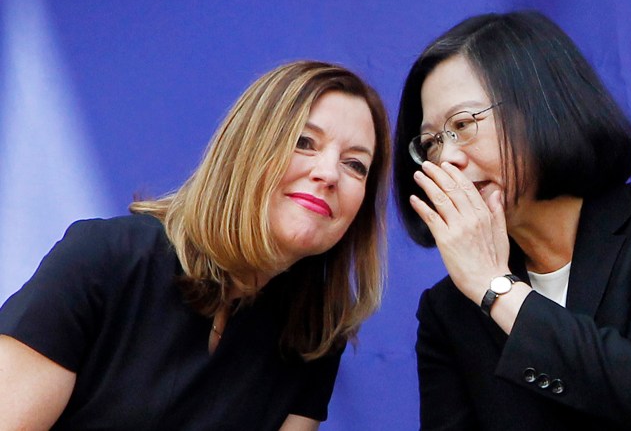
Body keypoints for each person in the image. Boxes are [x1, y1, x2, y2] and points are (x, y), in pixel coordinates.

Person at [392, 10, 631, 430]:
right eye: (431, 143)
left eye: (462, 125)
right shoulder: (449, 309)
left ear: (540, 105)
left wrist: (495, 286)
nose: (449, 158)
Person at [0, 60, 391, 430]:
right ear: (245, 150)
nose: (328, 174)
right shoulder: (106, 258)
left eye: (355, 164)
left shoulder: (313, 332)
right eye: (304, 142)